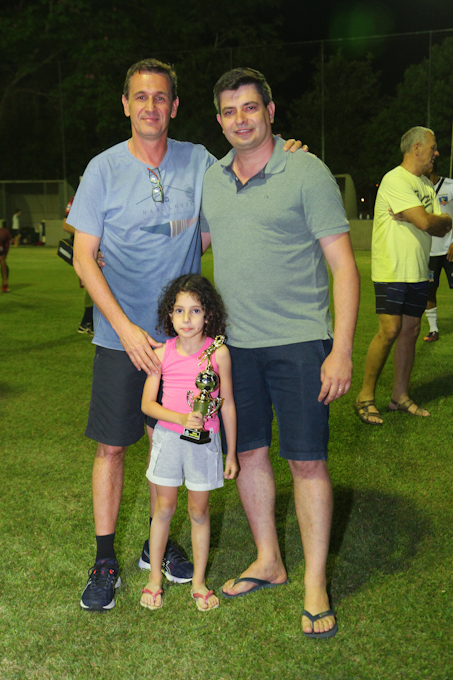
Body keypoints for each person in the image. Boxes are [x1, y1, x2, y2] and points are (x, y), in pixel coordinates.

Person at [70, 58, 301, 612]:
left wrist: (287, 150)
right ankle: (105, 560)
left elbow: (246, 163)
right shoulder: (102, 168)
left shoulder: (198, 161)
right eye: (140, 96)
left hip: (182, 344)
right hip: (120, 339)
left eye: (161, 97)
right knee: (112, 447)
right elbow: (82, 257)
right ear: (126, 104)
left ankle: (159, 544)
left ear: (174, 106)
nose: (150, 106)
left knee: (167, 441)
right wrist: (125, 329)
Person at [200, 68, 360, 638]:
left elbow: (344, 267)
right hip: (234, 347)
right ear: (219, 120)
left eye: (250, 107)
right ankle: (269, 559)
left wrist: (341, 350)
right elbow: (191, 243)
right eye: (229, 111)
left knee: (307, 460)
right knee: (247, 454)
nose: (240, 120)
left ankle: (316, 582)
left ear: (270, 110)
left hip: (299, 343)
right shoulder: (212, 179)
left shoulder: (306, 171)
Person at [140, 274, 237, 611]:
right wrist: (181, 418)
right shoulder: (161, 353)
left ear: (208, 314)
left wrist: (231, 452)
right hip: (168, 439)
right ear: (169, 315)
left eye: (195, 311)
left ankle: (198, 582)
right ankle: (155, 578)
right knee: (163, 508)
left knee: (199, 511)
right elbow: (147, 404)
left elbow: (228, 404)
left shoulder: (219, 354)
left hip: (204, 444)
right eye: (179, 310)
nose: (186, 319)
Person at [354, 127, 452, 425]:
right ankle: (364, 397)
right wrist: (426, 219)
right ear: (417, 147)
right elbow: (426, 222)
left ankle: (400, 396)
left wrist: (431, 219)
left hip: (418, 269)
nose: (436, 153)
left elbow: (443, 225)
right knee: (390, 330)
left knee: (411, 330)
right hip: (392, 268)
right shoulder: (395, 179)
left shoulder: (424, 184)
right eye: (433, 147)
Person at [423, 160, 453, 342]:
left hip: (450, 248)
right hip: (429, 252)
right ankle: (433, 329)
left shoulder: (450, 186)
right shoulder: (418, 190)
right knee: (429, 290)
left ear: (430, 167)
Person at [62, 196, 94, 336]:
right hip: (87, 249)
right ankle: (90, 322)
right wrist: (91, 233)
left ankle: (87, 322)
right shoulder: (78, 199)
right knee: (93, 283)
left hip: (101, 248)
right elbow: (66, 225)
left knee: (94, 284)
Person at [0, 225, 12, 292]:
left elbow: (2, 259)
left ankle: (5, 283)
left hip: (6, 239)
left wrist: (5, 279)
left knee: (2, 259)